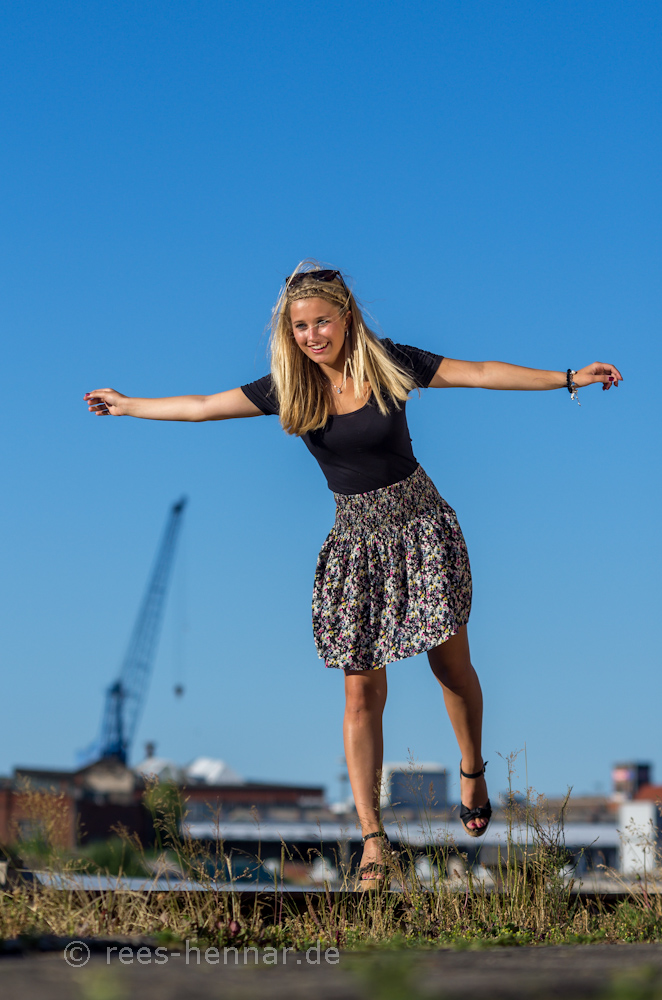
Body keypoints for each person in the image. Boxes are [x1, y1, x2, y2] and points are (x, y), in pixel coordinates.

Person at [84, 263, 623, 889]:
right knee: (360, 693)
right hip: (356, 548)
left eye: (322, 322)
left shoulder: (390, 362)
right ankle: (373, 840)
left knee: (451, 668)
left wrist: (567, 378)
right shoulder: (290, 387)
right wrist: (128, 406)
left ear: (345, 318)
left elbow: (477, 373)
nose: (312, 335)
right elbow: (203, 407)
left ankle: (472, 769)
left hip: (422, 531)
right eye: (300, 326)